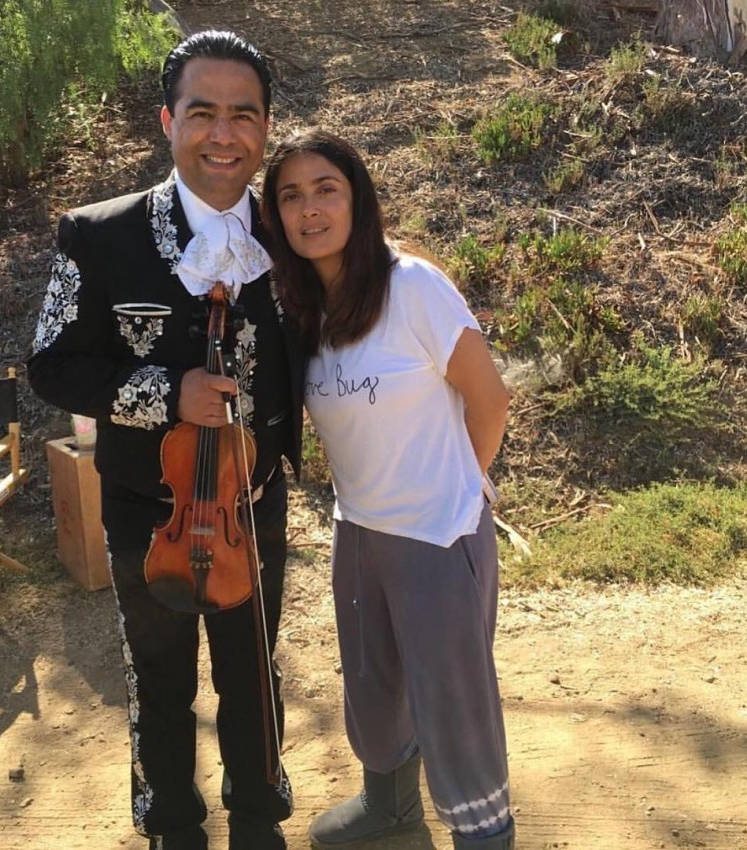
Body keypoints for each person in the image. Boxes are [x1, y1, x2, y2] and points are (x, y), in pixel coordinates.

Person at [28, 30, 304, 850]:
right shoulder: (96, 234)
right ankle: (173, 823)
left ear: (265, 128)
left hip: (254, 504)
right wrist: (164, 394)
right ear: (167, 121)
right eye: (202, 112)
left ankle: (258, 815)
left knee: (253, 669)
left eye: (244, 115)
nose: (224, 134)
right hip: (148, 507)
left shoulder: (295, 232)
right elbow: (50, 365)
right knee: (158, 675)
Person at [261, 129, 515, 850]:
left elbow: (489, 399)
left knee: (454, 703)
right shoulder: (304, 308)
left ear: (358, 199)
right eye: (291, 197)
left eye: (326, 190)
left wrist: (458, 488)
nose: (310, 209)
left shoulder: (413, 287)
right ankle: (391, 806)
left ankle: (485, 833)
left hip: (437, 534)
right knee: (373, 686)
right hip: (360, 531)